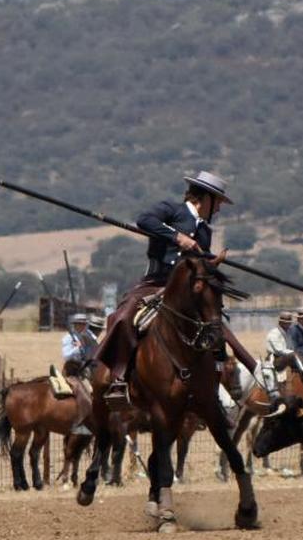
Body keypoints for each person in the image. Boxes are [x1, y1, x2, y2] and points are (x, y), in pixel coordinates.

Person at [93, 171, 232, 404]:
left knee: (215, 325)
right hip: (155, 283)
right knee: (123, 317)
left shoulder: (205, 232)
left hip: (185, 292)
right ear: (205, 198)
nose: (218, 209)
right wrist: (178, 237)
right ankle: (118, 378)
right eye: (217, 202)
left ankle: (213, 386)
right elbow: (144, 220)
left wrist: (211, 263)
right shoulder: (172, 209)